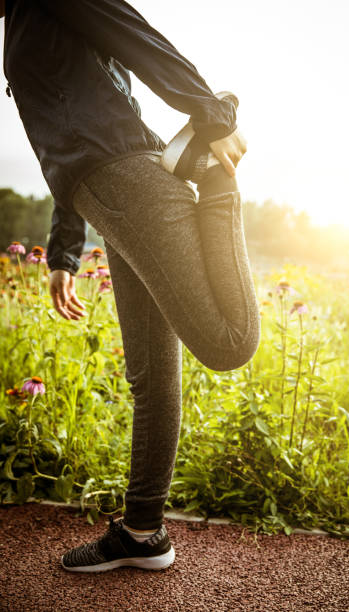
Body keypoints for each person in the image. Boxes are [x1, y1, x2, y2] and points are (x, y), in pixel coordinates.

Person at [1, 0, 261, 573]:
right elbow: (61, 151)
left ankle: (215, 176)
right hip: (107, 193)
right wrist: (64, 252)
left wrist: (211, 114)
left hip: (128, 180)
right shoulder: (20, 22)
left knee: (228, 343)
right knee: (150, 373)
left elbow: (132, 32)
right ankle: (143, 533)